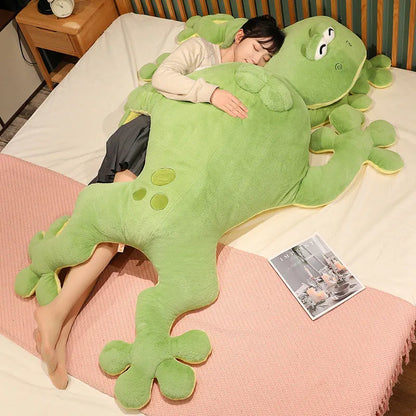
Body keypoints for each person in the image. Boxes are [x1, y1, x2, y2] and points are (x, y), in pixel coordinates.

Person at [33, 15, 285, 389]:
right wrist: (211, 93)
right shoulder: (202, 51)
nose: (257, 60)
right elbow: (163, 78)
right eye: (257, 48)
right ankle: (55, 315)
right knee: (114, 225)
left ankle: (61, 326)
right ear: (240, 35)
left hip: (174, 161)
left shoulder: (243, 86)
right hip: (148, 138)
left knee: (113, 235)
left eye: (266, 59)